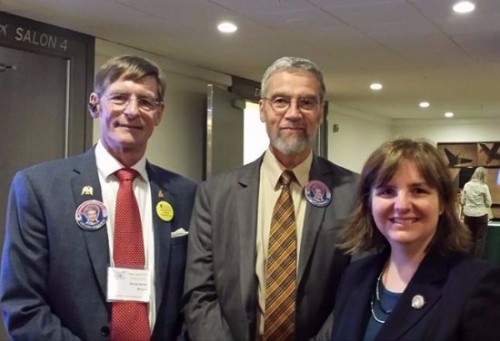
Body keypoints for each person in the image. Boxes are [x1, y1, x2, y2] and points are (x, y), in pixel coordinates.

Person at [0, 55, 197, 340]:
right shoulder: (39, 187)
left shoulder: (186, 194)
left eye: (145, 101)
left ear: (159, 113)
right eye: (119, 97)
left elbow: (195, 299)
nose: (132, 111)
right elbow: (23, 305)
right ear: (95, 104)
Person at [183, 56, 358, 341]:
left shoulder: (354, 191)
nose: (293, 113)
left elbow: (357, 293)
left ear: (321, 112)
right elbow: (199, 292)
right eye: (280, 100)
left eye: (306, 102)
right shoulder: (215, 194)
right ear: (262, 109)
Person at [320, 138, 500, 340]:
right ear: (369, 203)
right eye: (387, 191)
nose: (402, 205)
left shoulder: (474, 283)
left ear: (442, 203)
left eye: (418, 191)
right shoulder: (355, 276)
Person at [461, 166, 492, 257]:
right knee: (480, 239)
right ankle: (476, 261)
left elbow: (462, 201)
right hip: (481, 215)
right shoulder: (484, 187)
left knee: (469, 238)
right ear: (483, 176)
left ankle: (467, 259)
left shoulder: (467, 185)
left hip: (468, 215)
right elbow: (488, 203)